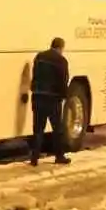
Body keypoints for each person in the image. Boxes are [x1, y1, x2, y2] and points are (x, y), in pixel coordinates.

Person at [27, 37, 72, 166]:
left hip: (38, 97)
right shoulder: (61, 61)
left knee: (38, 129)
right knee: (57, 129)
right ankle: (59, 156)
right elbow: (63, 80)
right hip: (53, 99)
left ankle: (34, 158)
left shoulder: (39, 56)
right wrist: (64, 96)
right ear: (60, 48)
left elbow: (35, 74)